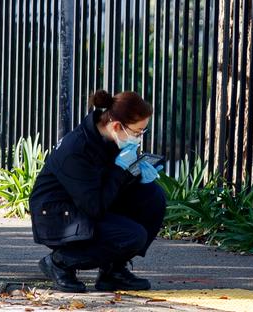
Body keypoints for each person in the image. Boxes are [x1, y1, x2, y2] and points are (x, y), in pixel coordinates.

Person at [29, 90, 166, 293]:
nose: (138, 138)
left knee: (153, 197)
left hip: (88, 205)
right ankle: (60, 262)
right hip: (58, 215)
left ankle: (113, 272)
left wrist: (136, 174)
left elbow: (110, 185)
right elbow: (95, 206)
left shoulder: (111, 139)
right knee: (132, 236)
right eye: (137, 132)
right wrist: (121, 170)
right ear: (117, 126)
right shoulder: (77, 149)